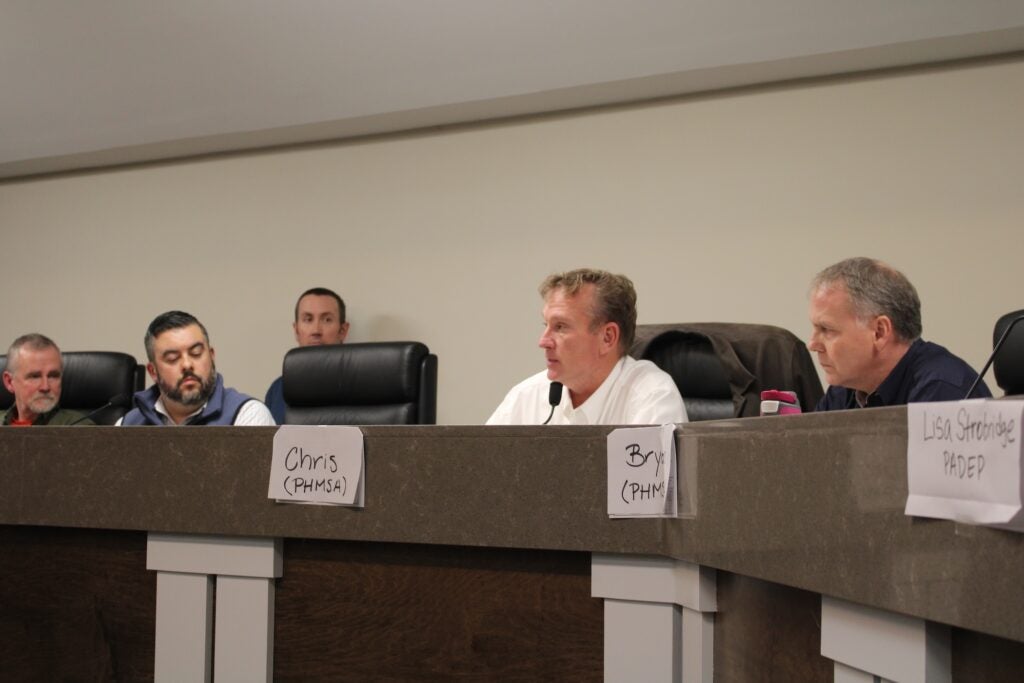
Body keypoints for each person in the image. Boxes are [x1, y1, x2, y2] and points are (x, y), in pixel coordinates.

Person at [487, 268, 687, 425]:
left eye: (561, 327)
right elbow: (478, 471)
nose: (543, 341)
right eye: (545, 325)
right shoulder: (526, 397)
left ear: (607, 338)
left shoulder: (652, 398)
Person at [808, 257, 990, 411]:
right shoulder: (845, 389)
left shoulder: (943, 391)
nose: (812, 344)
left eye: (826, 330)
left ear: (879, 332)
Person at [119, 311, 275, 426]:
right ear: (153, 372)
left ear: (211, 356)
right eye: (173, 358)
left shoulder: (246, 416)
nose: (187, 365)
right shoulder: (126, 426)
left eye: (196, 353)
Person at [264, 287, 350, 423]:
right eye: (308, 319)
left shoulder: (363, 388)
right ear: (296, 330)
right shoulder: (278, 389)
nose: (316, 330)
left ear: (343, 331)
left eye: (327, 320)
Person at [2, 333, 92, 426]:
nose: (45, 387)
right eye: (35, 377)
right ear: (9, 382)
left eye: (53, 376)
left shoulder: (78, 427)